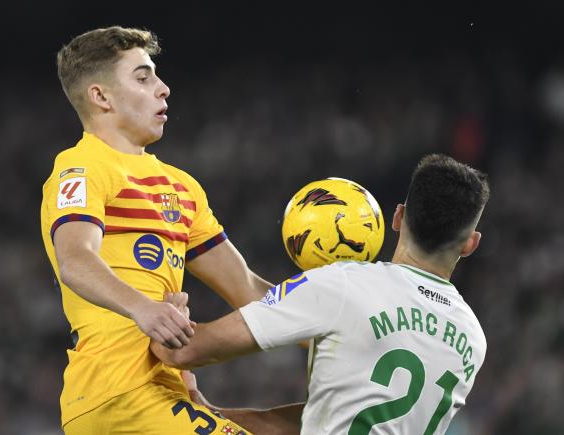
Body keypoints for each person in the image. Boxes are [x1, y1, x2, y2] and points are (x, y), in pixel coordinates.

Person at [152, 154, 491, 435]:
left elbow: (184, 353)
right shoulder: (473, 339)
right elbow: (328, 418)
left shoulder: (345, 284)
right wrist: (216, 413)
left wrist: (166, 319)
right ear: (470, 243)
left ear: (398, 217)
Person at [40, 26, 270, 434]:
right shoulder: (81, 169)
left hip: (164, 392)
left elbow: (247, 288)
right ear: (101, 96)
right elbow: (75, 260)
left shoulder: (181, 186)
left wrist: (333, 325)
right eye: (143, 78)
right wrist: (143, 308)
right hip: (115, 392)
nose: (163, 89)